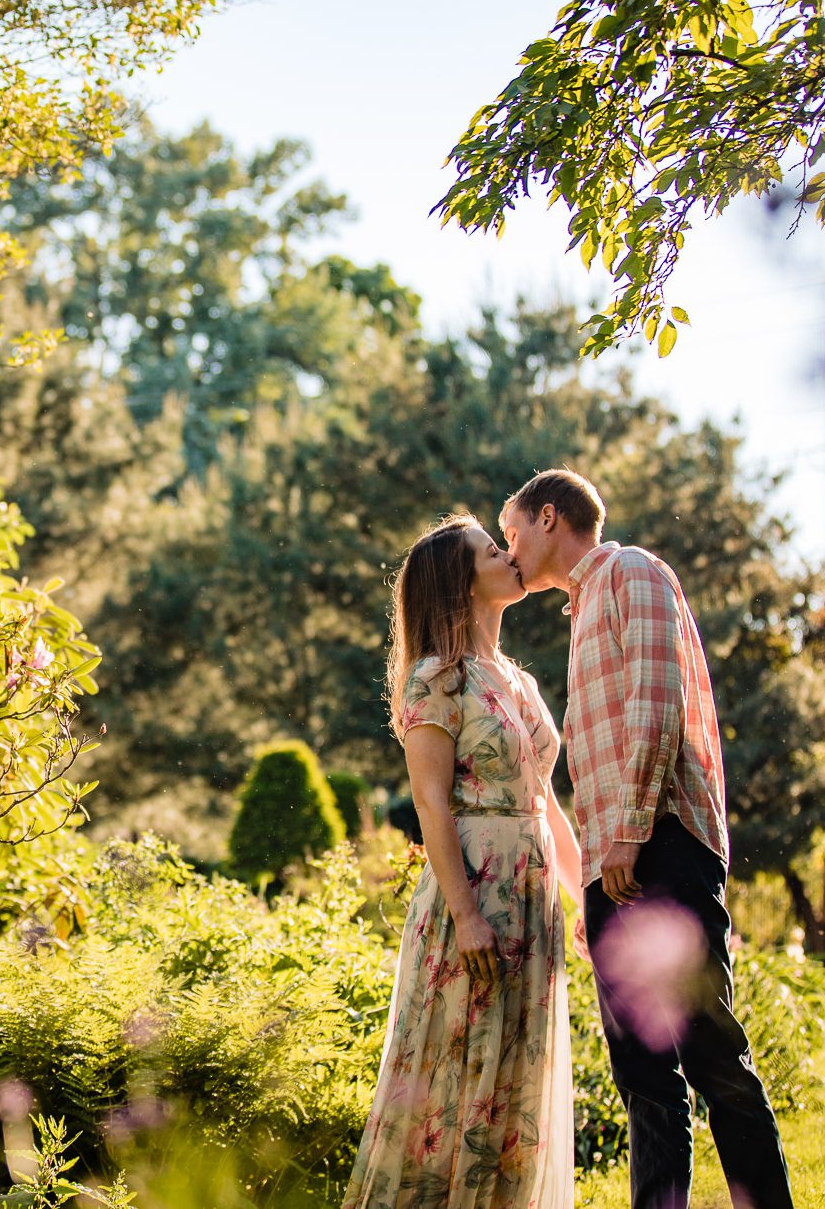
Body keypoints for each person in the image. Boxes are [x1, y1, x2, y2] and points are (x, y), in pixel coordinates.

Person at [499, 469, 796, 1209]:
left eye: (511, 535)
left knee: (710, 1054)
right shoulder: (581, 608)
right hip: (614, 864)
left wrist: (628, 835)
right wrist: (597, 875)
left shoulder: (632, 571)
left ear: (548, 517)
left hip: (662, 848)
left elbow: (657, 708)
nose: (508, 553)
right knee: (643, 1077)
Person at [343, 514, 586, 1209]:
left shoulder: (516, 680)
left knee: (517, 1082)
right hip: (473, 899)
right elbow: (430, 802)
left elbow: (546, 803)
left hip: (532, 899)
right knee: (456, 1079)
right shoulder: (435, 679)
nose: (511, 556)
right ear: (460, 580)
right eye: (491, 550)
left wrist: (584, 895)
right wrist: (467, 914)